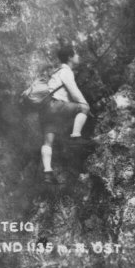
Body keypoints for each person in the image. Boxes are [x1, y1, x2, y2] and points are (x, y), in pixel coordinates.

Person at [39, 40, 91, 184]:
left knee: (48, 141)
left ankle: (47, 173)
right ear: (70, 57)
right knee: (84, 108)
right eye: (76, 54)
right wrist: (84, 105)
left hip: (44, 108)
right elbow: (74, 93)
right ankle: (75, 137)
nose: (78, 56)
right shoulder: (66, 72)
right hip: (55, 104)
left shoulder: (55, 72)